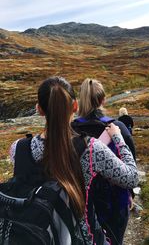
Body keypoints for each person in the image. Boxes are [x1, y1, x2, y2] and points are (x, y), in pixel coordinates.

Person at [10, 76, 138, 245]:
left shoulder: (17, 149)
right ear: (75, 106)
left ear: (39, 109)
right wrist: (118, 139)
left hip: (33, 236)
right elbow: (131, 178)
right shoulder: (91, 149)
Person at [72, 78, 136, 245]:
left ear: (80, 100)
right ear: (103, 100)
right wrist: (131, 193)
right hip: (115, 202)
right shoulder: (118, 128)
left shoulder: (71, 129)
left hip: (80, 202)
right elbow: (130, 163)